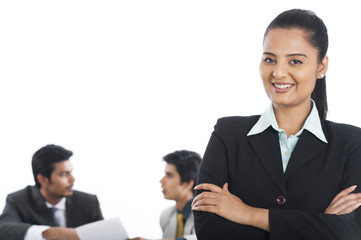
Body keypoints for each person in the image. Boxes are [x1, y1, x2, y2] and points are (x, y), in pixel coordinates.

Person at [191, 9, 361, 240]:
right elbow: (210, 231)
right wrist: (320, 224)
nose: (278, 73)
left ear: (321, 67)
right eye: (270, 59)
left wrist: (247, 214)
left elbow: (351, 231)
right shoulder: (227, 134)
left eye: (295, 61)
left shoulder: (352, 142)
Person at [0, 144, 104, 240]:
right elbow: (3, 229)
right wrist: (51, 233)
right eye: (64, 174)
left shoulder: (89, 202)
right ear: (43, 179)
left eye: (70, 172)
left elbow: (104, 235)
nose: (72, 179)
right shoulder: (18, 200)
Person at [129, 150, 201, 240]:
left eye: (169, 175)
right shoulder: (166, 215)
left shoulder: (206, 215)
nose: (162, 181)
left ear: (187, 183)